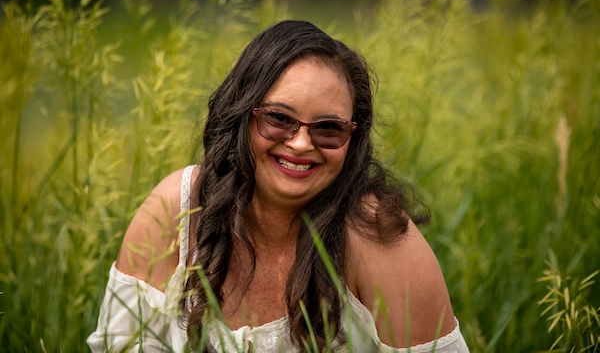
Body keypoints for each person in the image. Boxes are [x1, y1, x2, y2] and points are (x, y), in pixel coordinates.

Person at [88, 20, 469, 352]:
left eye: (328, 128)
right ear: (241, 115)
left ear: (353, 137)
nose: (301, 143)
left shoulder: (380, 238)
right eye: (279, 118)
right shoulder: (176, 210)